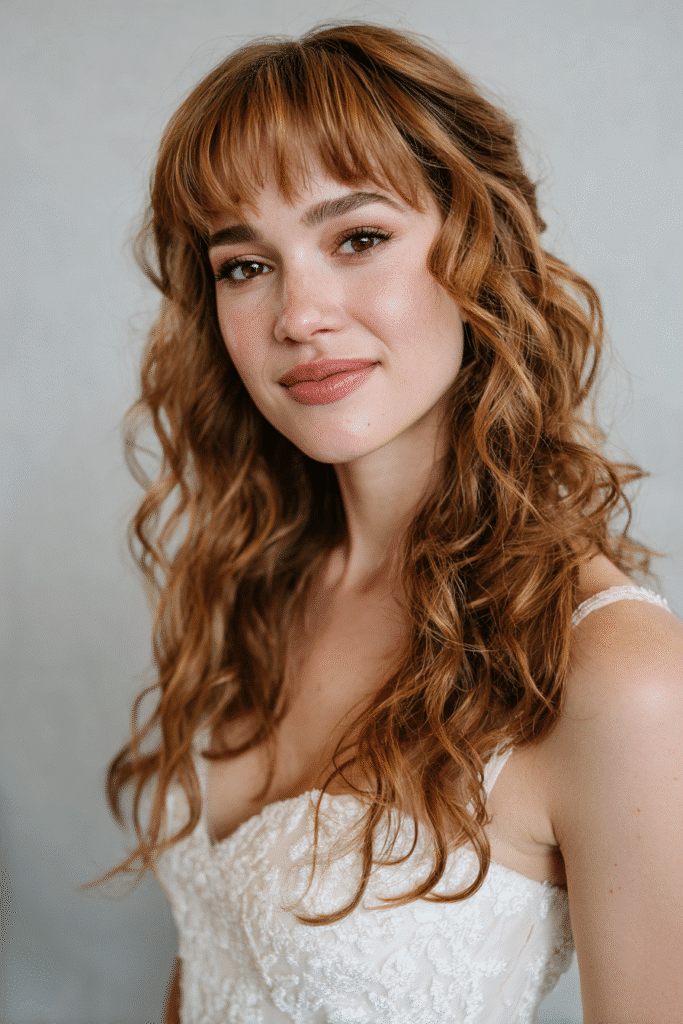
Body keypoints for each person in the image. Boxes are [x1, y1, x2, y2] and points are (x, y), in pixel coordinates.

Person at [83, 20, 683, 1023]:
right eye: (244, 265)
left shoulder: (610, 671)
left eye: (357, 239)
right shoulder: (245, 586)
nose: (298, 315)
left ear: (477, 247)